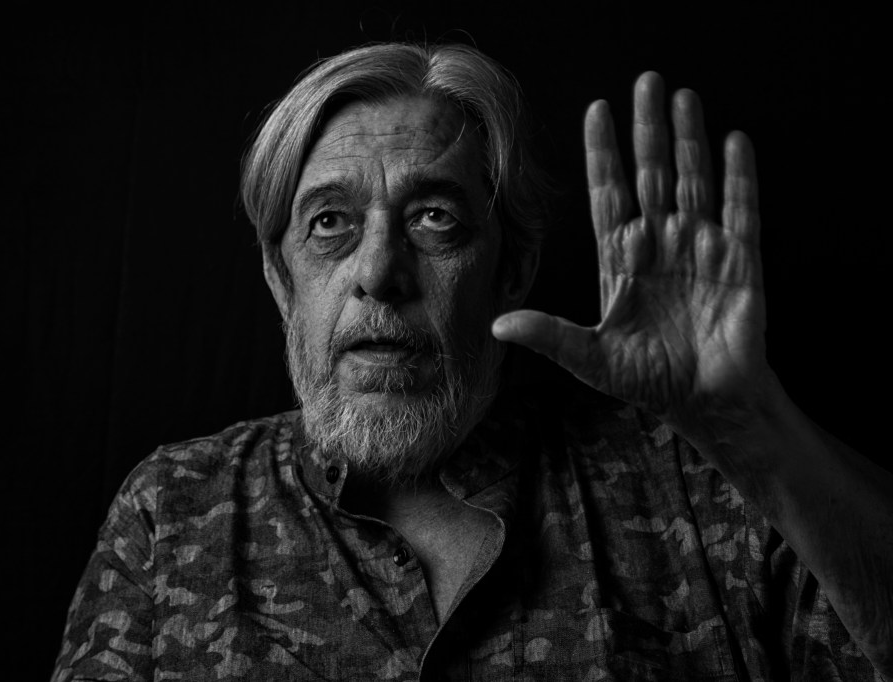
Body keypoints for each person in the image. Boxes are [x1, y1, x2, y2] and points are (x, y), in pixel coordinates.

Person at [50, 42, 891, 681]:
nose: (378, 272)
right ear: (281, 279)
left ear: (510, 269)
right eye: (330, 223)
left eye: (434, 218)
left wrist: (756, 430)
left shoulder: (698, 485)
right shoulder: (174, 515)